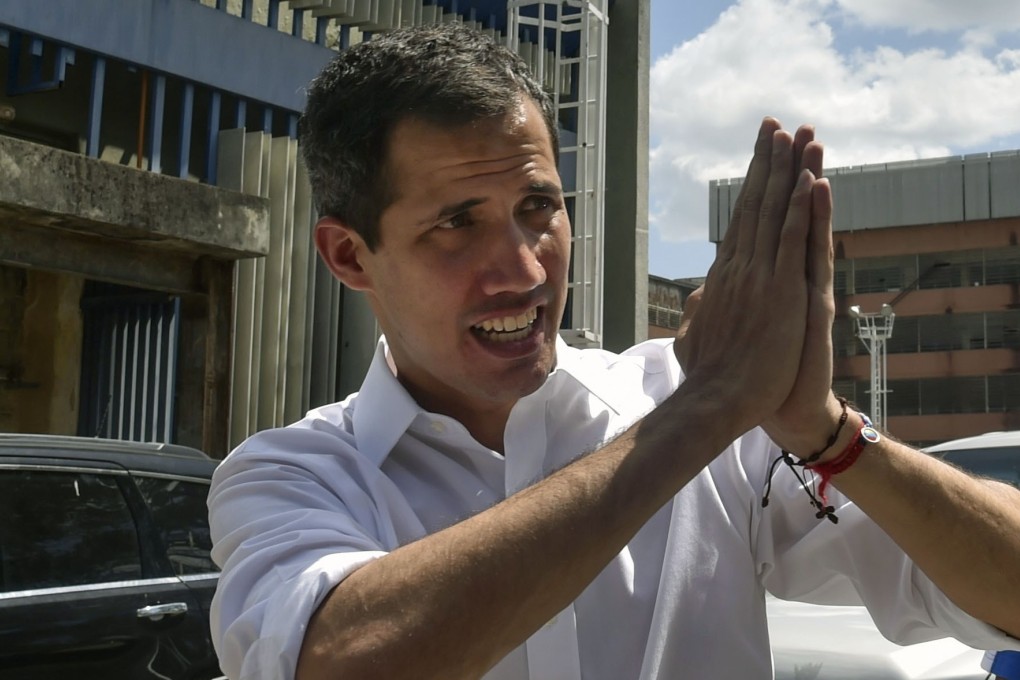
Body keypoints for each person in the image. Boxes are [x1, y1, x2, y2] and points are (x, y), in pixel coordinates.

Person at [208, 23, 1020, 680]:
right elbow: (341, 661)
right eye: (456, 223)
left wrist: (827, 433)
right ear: (349, 256)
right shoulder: (292, 475)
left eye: (539, 206)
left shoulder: (708, 407)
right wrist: (703, 413)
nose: (524, 269)